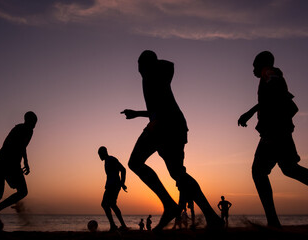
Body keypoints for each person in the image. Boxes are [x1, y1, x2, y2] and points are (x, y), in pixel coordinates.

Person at [121, 50, 223, 230]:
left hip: (164, 127)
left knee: (135, 163)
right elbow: (160, 106)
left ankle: (169, 205)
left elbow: (169, 68)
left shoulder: (155, 74)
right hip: (173, 125)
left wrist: (156, 120)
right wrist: (138, 114)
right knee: (177, 173)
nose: (137, 68)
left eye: (139, 64)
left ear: (145, 64)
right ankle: (211, 216)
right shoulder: (151, 76)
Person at [238, 51, 307, 228]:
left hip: (274, 132)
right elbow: (276, 96)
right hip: (280, 131)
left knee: (258, 172)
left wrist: (273, 125)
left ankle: (273, 221)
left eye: (254, 65)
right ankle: (273, 221)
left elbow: (279, 94)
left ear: (262, 63)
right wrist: (251, 112)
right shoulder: (270, 76)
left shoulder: (269, 73)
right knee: (290, 169)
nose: (253, 69)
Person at [98, 146, 128, 232]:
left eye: (100, 154)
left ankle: (114, 225)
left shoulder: (111, 159)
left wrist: (122, 183)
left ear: (104, 153)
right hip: (111, 185)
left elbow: (123, 169)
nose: (99, 156)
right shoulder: (107, 161)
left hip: (113, 185)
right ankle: (121, 225)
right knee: (112, 204)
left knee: (105, 204)